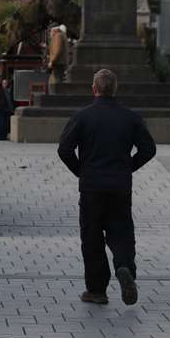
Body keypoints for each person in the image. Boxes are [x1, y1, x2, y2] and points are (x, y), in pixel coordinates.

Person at [59, 68, 156, 306]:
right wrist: (128, 167)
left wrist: (81, 171)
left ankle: (96, 290)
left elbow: (64, 149)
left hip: (91, 187)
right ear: (115, 89)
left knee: (92, 238)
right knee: (121, 232)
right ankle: (124, 267)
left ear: (94, 89)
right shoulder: (130, 117)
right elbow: (149, 149)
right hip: (119, 186)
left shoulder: (83, 116)